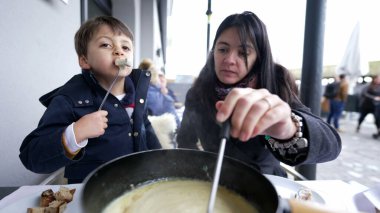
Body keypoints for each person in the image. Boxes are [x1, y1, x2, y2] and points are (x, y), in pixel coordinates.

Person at [176, 11, 341, 177]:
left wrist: (288, 130)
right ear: (213, 53)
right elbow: (185, 139)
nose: (229, 59)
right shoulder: (197, 93)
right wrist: (193, 170)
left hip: (266, 183)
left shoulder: (274, 86)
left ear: (259, 58)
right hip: (213, 179)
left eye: (243, 53)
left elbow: (331, 145)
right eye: (223, 49)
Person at [19, 16, 161, 183]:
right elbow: (31, 156)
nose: (119, 51)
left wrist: (161, 160)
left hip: (138, 183)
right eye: (106, 45)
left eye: (125, 47)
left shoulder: (136, 94)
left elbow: (145, 128)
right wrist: (76, 132)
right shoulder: (70, 99)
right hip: (91, 191)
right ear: (85, 60)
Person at [138, 58, 181, 128]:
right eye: (158, 75)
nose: (160, 79)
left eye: (162, 76)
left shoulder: (136, 91)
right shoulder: (163, 98)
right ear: (154, 76)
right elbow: (177, 125)